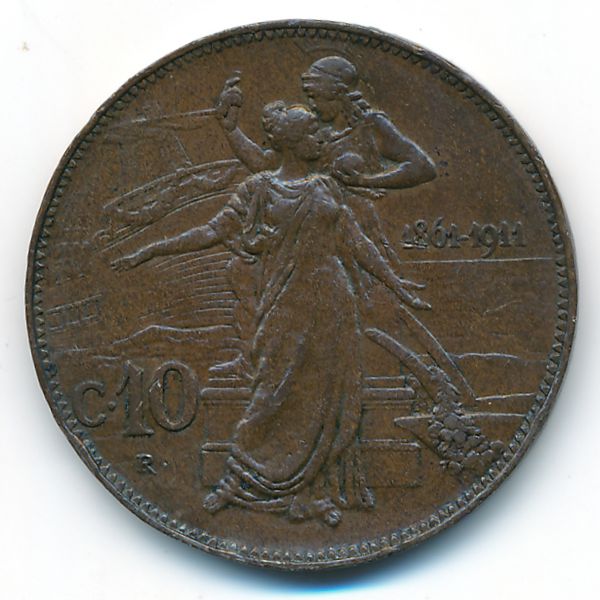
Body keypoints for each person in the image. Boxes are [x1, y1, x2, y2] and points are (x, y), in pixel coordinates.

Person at [114, 101, 430, 526]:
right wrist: (152, 249)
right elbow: (212, 231)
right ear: (292, 142)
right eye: (313, 133)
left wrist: (397, 284)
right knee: (272, 392)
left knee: (329, 399)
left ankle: (312, 493)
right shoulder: (257, 190)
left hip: (334, 302)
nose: (322, 138)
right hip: (284, 303)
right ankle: (236, 481)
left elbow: (355, 242)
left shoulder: (327, 187)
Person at [215, 56, 436, 275]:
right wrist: (232, 131)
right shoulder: (316, 135)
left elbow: (422, 167)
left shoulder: (370, 126)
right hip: (317, 240)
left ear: (337, 92)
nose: (311, 105)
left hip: (360, 236)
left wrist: (364, 181)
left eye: (315, 97)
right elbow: (267, 165)